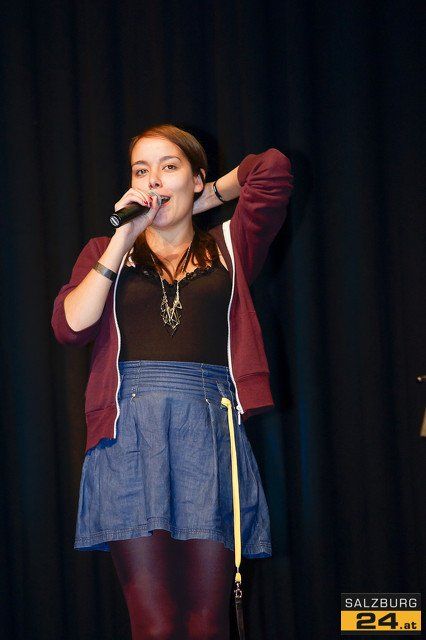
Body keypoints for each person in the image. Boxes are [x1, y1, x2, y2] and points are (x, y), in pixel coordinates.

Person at [51, 123, 293, 639]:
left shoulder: (229, 245)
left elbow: (271, 169)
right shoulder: (105, 250)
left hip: (208, 433)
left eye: (169, 167)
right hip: (127, 437)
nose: (154, 181)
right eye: (142, 170)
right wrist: (123, 238)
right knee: (154, 626)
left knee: (207, 623)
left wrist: (206, 200)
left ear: (195, 177)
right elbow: (70, 327)